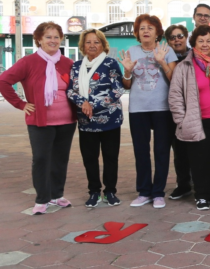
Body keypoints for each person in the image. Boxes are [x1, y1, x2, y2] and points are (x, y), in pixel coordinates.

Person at [0, 22, 76, 214]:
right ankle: (42, 198)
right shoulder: (29, 62)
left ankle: (57, 195)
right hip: (40, 121)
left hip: (67, 121)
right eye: (48, 37)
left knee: (60, 159)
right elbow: (4, 81)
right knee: (41, 159)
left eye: (56, 37)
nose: (53, 40)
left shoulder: (67, 63)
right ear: (39, 40)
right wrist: (21, 104)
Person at [169, 26, 210, 210]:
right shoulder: (185, 66)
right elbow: (175, 95)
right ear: (194, 43)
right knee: (199, 160)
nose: (205, 44)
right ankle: (202, 195)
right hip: (198, 120)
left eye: (208, 41)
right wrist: (182, 120)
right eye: (201, 41)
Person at [118, 14, 177, 209]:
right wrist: (126, 72)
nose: (146, 31)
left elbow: (175, 81)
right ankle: (144, 192)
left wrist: (161, 62)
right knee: (141, 151)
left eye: (150, 28)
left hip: (162, 108)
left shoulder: (166, 51)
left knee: (161, 151)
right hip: (138, 108)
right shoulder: (131, 52)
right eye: (142, 28)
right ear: (137, 32)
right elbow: (127, 84)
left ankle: (158, 192)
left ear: (157, 32)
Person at [67, 29, 124, 208]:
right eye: (88, 42)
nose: (92, 45)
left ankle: (110, 192)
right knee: (89, 158)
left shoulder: (110, 63)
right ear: (83, 45)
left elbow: (117, 90)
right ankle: (93, 192)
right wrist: (83, 103)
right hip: (86, 121)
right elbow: (70, 90)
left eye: (96, 42)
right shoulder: (76, 66)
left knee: (110, 157)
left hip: (110, 120)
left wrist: (94, 105)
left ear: (103, 44)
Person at [164, 24, 194, 200]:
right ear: (168, 41)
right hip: (172, 110)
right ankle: (183, 184)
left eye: (180, 36)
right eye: (173, 37)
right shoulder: (164, 57)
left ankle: (203, 182)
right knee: (179, 149)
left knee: (198, 148)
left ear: (186, 37)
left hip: (195, 108)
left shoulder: (195, 55)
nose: (177, 39)